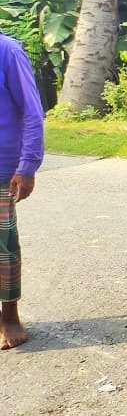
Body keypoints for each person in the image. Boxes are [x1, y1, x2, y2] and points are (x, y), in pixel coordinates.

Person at [0, 32, 44, 350]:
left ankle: (10, 316)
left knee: (4, 247)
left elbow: (32, 111)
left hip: (3, 168)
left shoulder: (8, 52)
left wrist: (27, 165)